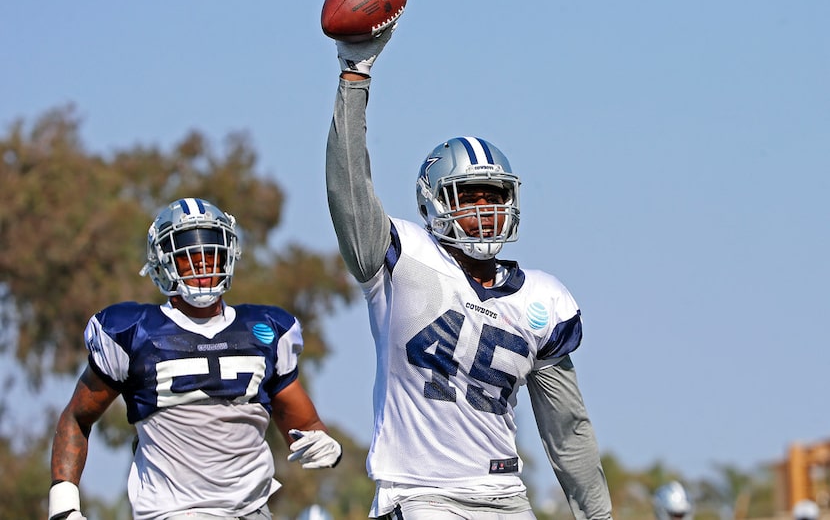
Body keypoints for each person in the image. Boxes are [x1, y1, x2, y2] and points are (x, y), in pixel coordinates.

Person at [324, 25, 613, 519]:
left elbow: (567, 429)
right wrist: (355, 76)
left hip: (504, 497)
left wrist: (599, 516)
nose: (484, 209)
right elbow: (348, 189)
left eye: (494, 196)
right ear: (432, 203)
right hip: (419, 496)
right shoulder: (401, 256)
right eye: (469, 196)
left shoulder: (541, 300)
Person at [48, 198, 342, 520]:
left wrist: (325, 444)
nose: (202, 265)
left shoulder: (265, 329)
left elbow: (303, 426)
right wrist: (63, 505)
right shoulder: (134, 331)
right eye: (188, 258)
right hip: (174, 513)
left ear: (229, 254)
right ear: (163, 264)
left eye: (210, 254)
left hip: (252, 511)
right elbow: (78, 417)